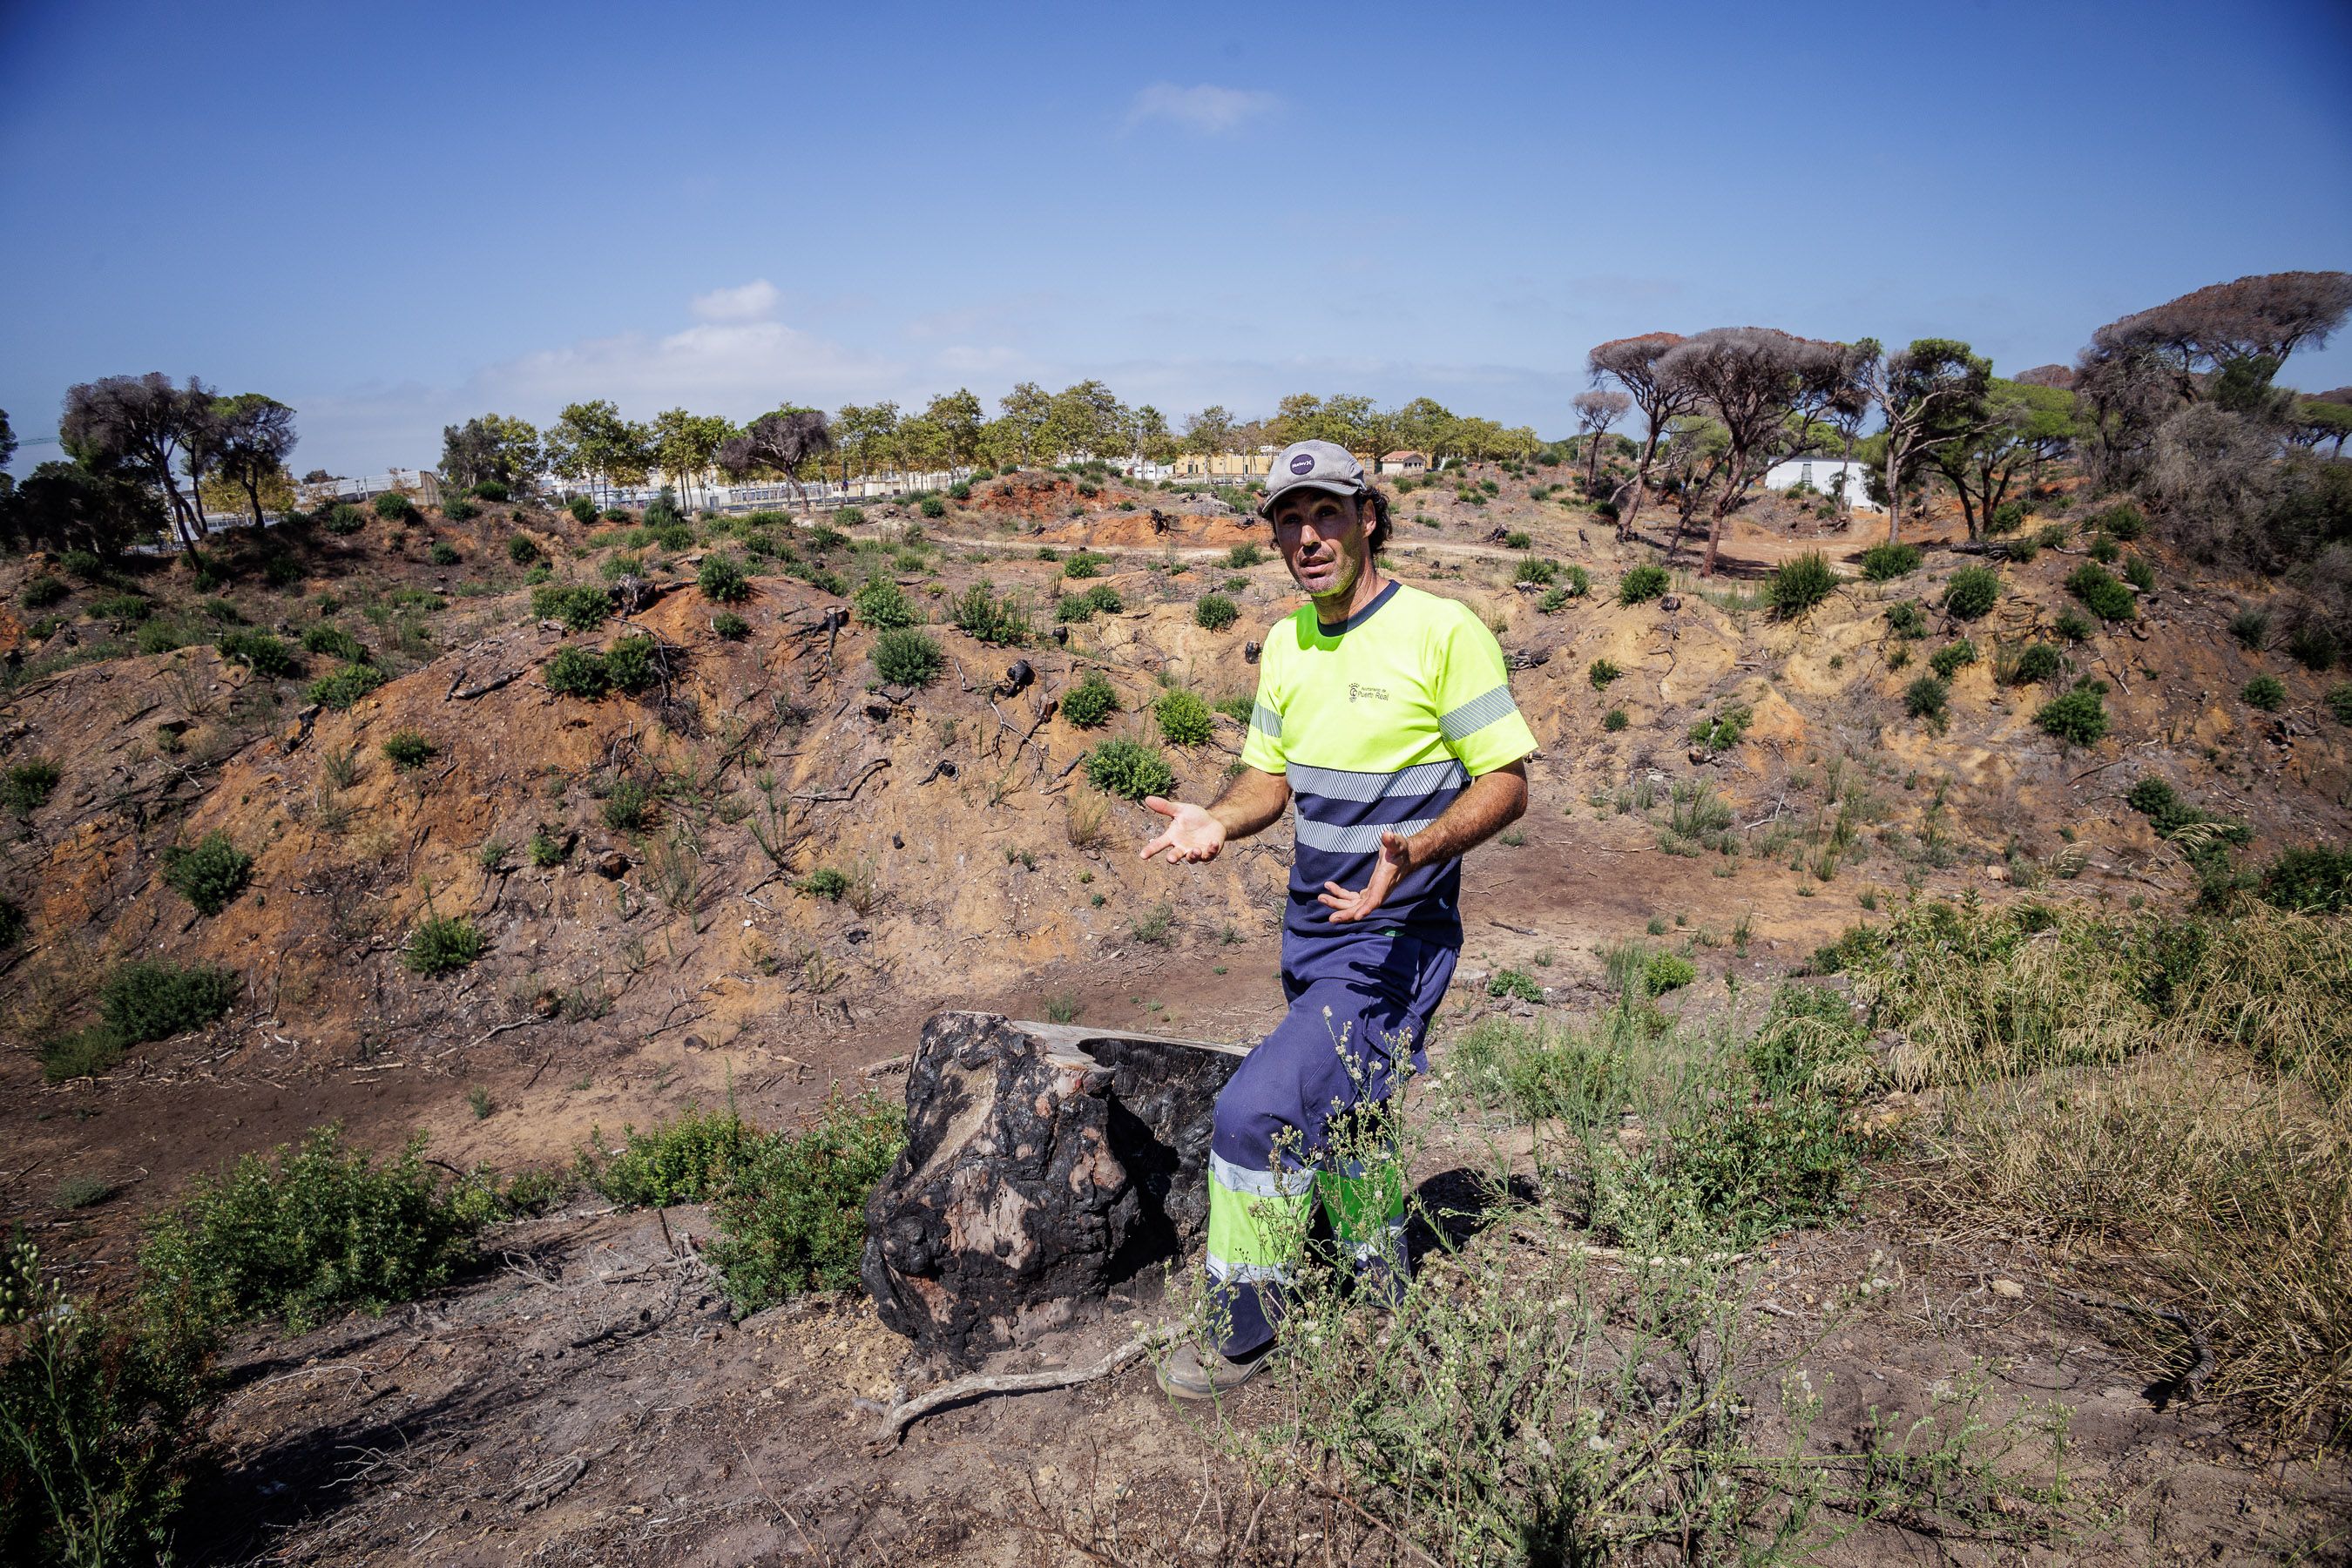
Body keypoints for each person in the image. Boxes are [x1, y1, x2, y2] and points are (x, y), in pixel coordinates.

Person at [1139, 440, 1536, 1399]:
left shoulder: (1442, 631)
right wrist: (1218, 819)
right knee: (1355, 1107)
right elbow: (1267, 779)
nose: (1308, 537)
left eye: (1326, 514)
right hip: (1311, 929)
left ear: (1369, 518)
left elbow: (1507, 781)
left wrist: (1419, 851)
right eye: (1290, 520)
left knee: (1254, 1110)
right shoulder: (1286, 644)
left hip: (1395, 937)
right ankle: (1379, 1276)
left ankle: (1243, 1330)